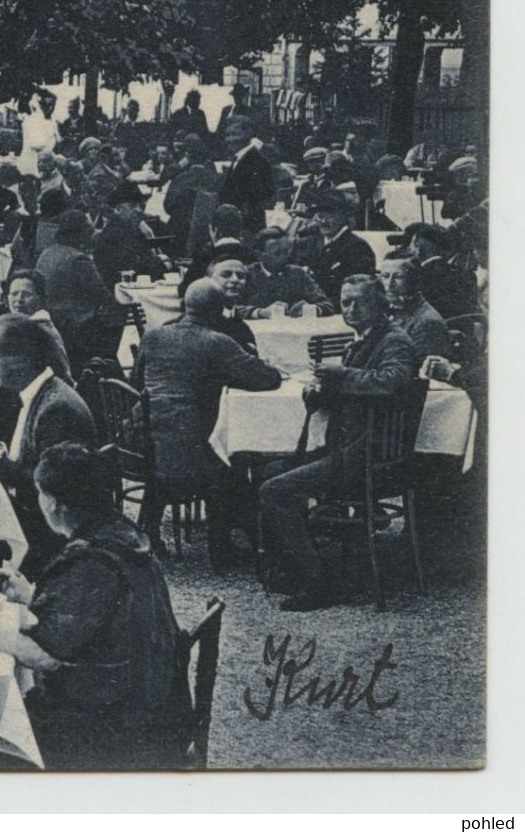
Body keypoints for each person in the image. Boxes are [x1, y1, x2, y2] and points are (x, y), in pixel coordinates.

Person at [0, 443, 187, 770]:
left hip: (115, 722)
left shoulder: (87, 560)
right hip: (154, 697)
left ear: (52, 503)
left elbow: (47, 656)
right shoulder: (121, 533)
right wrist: (30, 594)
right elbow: (94, 615)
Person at [257, 275, 418, 610]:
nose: (352, 309)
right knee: (266, 470)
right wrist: (318, 391)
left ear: (380, 304)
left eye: (361, 301)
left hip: (367, 458)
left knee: (276, 489)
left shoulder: (394, 340)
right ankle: (292, 565)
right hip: (348, 449)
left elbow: (393, 382)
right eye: (346, 302)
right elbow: (351, 391)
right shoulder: (359, 341)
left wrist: (341, 377)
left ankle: (319, 581)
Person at [133, 280, 283, 564]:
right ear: (219, 311)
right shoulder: (217, 342)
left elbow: (137, 382)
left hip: (146, 442)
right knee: (239, 456)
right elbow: (267, 379)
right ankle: (227, 542)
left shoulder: (153, 336)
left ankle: (152, 530)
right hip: (191, 451)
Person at [0, 315, 98, 579]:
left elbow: (52, 490)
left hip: (49, 538)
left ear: (21, 359)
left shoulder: (57, 408)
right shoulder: (39, 395)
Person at [35, 210, 109, 360]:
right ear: (80, 234)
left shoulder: (47, 253)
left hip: (53, 321)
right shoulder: (78, 259)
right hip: (79, 326)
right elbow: (103, 295)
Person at [239, 227, 334, 319]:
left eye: (286, 251)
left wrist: (309, 309)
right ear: (259, 254)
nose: (285, 257)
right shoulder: (246, 275)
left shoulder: (297, 274)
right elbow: (231, 309)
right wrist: (260, 312)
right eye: (277, 254)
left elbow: (328, 305)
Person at [91, 182, 165, 285]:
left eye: (140, 206)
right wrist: (163, 261)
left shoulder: (133, 229)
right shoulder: (113, 235)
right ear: (118, 209)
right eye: (132, 206)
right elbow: (140, 268)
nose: (138, 210)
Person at [380, 258, 454, 361]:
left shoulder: (427, 323)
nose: (389, 284)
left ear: (415, 281)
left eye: (399, 277)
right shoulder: (388, 310)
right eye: (385, 276)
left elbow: (420, 372)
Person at [403, 222, 479, 321]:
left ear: (419, 248)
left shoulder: (415, 278)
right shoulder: (469, 276)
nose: (409, 249)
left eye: (411, 245)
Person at [313, 194, 378, 303]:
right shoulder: (309, 243)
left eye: (330, 216)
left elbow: (360, 290)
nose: (324, 222)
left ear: (344, 216)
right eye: (320, 216)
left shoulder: (358, 247)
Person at [215, 115, 273, 230]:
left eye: (235, 134)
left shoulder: (257, 161)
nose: (230, 140)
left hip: (246, 227)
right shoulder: (239, 159)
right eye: (227, 135)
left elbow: (258, 198)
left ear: (248, 135)